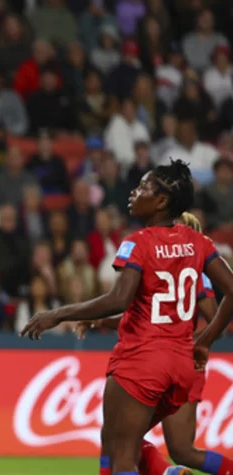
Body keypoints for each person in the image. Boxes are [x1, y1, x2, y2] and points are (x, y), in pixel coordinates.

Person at [20, 160, 233, 475]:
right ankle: (168, 472)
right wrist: (204, 340)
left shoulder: (138, 242)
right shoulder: (199, 243)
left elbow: (118, 299)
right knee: (128, 442)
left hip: (142, 361)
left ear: (161, 202)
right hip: (180, 364)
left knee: (121, 457)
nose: (134, 192)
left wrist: (57, 313)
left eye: (144, 187)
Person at [76, 211, 233, 475]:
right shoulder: (194, 266)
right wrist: (197, 341)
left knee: (117, 439)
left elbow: (205, 313)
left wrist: (198, 340)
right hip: (183, 361)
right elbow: (155, 315)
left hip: (155, 359)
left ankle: (165, 473)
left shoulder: (175, 263)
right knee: (181, 450)